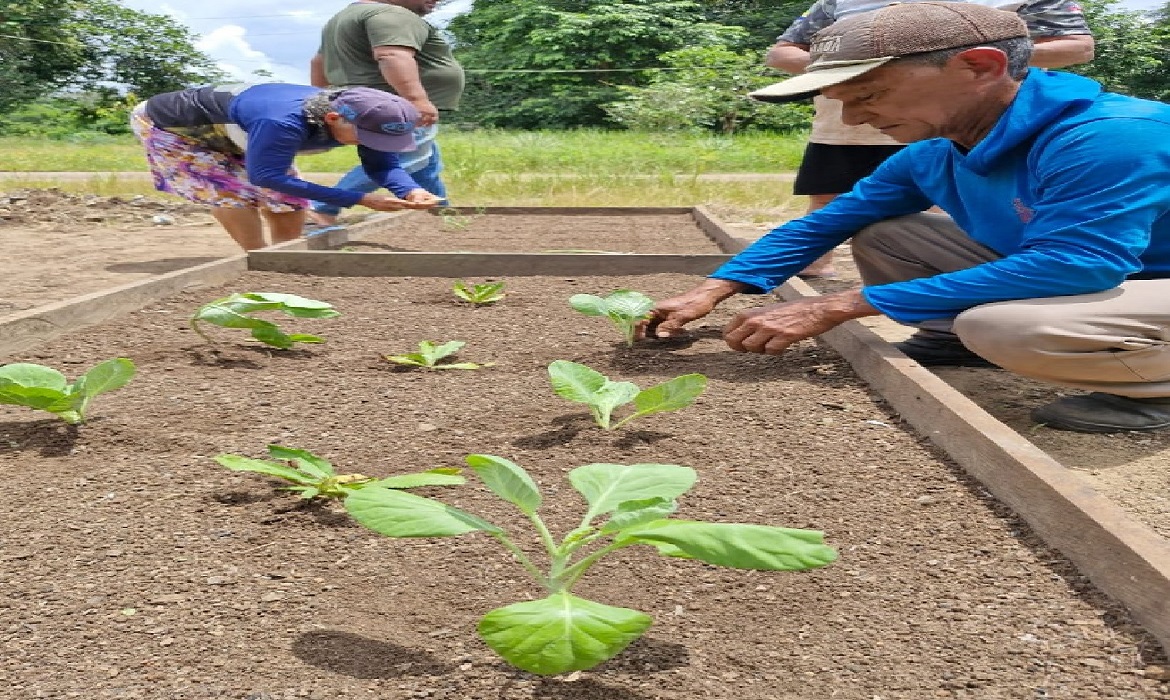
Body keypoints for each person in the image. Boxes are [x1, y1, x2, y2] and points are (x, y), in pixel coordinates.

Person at [645, 1, 1170, 434]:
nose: (854, 119)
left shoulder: (1108, 135)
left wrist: (843, 304)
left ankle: (1158, 392)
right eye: (841, 102)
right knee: (890, 235)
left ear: (980, 67)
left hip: (1132, 276)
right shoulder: (938, 149)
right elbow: (827, 222)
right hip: (1125, 273)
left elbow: (1076, 266)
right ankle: (958, 342)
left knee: (1006, 327)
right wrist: (715, 289)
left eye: (870, 94)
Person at [765, 0, 1094, 279]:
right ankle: (808, 269)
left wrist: (934, 59)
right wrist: (856, 68)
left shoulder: (1092, 136)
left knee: (948, 203)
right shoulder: (841, 3)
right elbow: (781, 53)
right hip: (845, 129)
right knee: (833, 198)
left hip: (962, 114)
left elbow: (1079, 46)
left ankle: (952, 282)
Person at [131, 84, 440, 250]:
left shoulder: (365, 114)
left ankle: (286, 255)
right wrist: (360, 199)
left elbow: (381, 163)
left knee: (287, 200)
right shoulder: (283, 122)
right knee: (233, 191)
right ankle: (258, 260)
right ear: (333, 119)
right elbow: (265, 176)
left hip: (243, 130)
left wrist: (410, 190)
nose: (373, 142)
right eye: (367, 137)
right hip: (177, 128)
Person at [307, 0, 465, 227]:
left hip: (371, 105)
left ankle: (440, 212)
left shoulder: (344, 17)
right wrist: (416, 100)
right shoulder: (390, 14)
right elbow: (391, 55)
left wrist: (320, 100)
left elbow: (318, 63)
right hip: (393, 109)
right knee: (403, 159)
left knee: (426, 163)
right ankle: (322, 209)